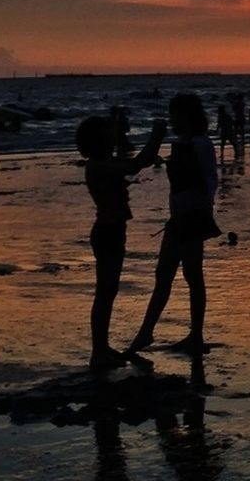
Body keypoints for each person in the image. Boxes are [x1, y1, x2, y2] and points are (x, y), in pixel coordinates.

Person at [128, 94, 219, 357]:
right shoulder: (182, 142)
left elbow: (209, 180)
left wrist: (200, 213)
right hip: (180, 217)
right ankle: (160, 333)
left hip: (190, 217)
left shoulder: (201, 144)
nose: (171, 118)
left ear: (187, 115)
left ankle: (164, 333)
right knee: (171, 274)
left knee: (182, 275)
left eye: (175, 113)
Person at [77, 114, 166, 370]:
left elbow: (137, 162)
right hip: (107, 233)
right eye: (109, 136)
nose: (114, 139)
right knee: (105, 293)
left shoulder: (103, 162)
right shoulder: (97, 166)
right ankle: (98, 351)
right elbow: (135, 165)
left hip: (113, 231)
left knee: (108, 292)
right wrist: (156, 136)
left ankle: (102, 347)